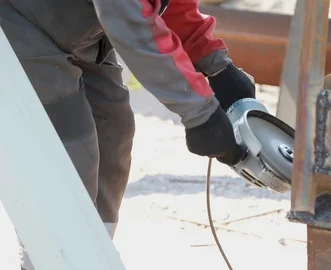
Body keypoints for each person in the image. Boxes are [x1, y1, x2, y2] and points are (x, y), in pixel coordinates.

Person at [0, 0, 256, 269]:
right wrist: (201, 114)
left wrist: (216, 65)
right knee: (69, 151)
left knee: (113, 128)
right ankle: (50, 261)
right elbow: (131, 24)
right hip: (15, 20)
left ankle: (90, 255)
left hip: (71, 21)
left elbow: (165, 4)